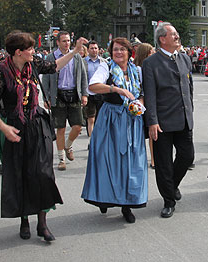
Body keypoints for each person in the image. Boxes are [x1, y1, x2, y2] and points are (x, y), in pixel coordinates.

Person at [0, 32, 86, 241]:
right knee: (21, 175)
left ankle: (42, 223)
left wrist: (75, 51)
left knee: (43, 174)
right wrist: (4, 129)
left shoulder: (34, 65)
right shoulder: (1, 73)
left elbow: (55, 66)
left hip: (37, 124)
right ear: (18, 52)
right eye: (29, 49)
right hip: (15, 129)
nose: (34, 51)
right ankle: (24, 220)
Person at [81, 37, 147, 223]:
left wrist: (139, 104)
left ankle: (127, 205)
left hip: (132, 119)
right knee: (107, 160)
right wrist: (117, 89)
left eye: (122, 49)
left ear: (129, 52)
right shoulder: (106, 67)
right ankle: (104, 197)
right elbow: (93, 86)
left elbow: (142, 92)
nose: (118, 52)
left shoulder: (137, 70)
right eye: (115, 49)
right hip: (110, 119)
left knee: (130, 162)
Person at [143, 22, 194, 218]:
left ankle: (172, 186)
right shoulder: (151, 63)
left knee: (187, 156)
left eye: (177, 33)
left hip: (184, 120)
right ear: (162, 39)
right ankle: (168, 200)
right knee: (163, 163)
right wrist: (152, 121)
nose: (177, 36)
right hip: (162, 122)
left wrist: (191, 111)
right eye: (173, 34)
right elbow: (150, 95)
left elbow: (188, 88)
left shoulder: (184, 58)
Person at [42, 31, 88, 171]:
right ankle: (61, 158)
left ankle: (68, 145)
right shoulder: (51, 57)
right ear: (57, 42)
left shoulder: (76, 57)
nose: (67, 43)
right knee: (60, 128)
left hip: (74, 94)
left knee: (78, 126)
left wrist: (84, 94)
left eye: (68, 40)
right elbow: (46, 79)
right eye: (63, 41)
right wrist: (46, 97)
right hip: (58, 95)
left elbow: (83, 76)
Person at [133, 43, 156, 168]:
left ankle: (153, 158)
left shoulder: (151, 66)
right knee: (139, 132)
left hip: (149, 102)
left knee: (152, 132)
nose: (153, 53)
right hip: (139, 103)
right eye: (151, 51)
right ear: (146, 54)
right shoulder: (136, 68)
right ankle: (139, 158)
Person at [83, 40, 106, 136]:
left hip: (101, 93)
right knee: (91, 118)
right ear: (88, 50)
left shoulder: (103, 62)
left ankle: (99, 139)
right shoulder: (83, 62)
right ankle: (91, 140)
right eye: (92, 48)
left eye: (96, 48)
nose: (94, 50)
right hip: (89, 93)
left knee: (100, 118)